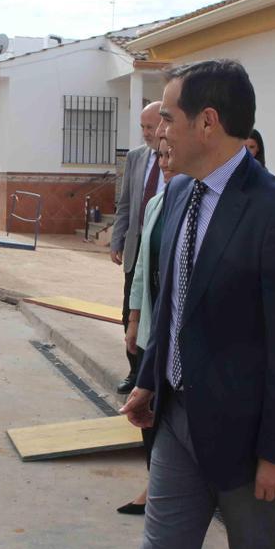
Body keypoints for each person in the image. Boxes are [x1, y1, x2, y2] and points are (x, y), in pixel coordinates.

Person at [120, 59, 275, 549]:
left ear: (206, 122)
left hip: (247, 438)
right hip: (177, 420)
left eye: (167, 117)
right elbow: (174, 305)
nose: (158, 130)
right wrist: (149, 380)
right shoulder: (182, 195)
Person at [117, 138, 177, 516]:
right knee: (147, 407)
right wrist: (134, 320)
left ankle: (164, 487)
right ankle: (155, 483)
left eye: (170, 155)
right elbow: (141, 270)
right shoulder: (157, 203)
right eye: (160, 156)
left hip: (180, 335)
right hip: (153, 327)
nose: (165, 162)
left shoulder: (199, 207)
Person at [111, 101, 165, 395]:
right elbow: (125, 204)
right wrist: (117, 239)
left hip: (162, 248)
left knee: (155, 311)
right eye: (142, 127)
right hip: (136, 247)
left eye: (150, 126)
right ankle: (134, 372)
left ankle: (151, 375)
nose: (146, 132)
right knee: (128, 312)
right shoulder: (136, 158)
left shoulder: (177, 159)